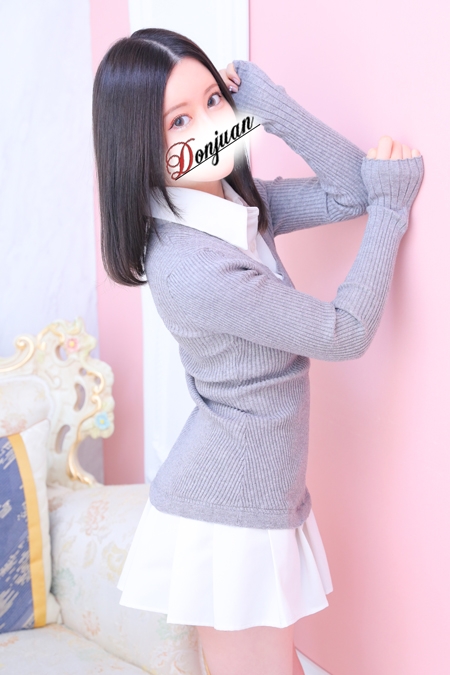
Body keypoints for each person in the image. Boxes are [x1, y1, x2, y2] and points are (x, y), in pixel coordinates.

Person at [92, 27, 424, 675]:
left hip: (254, 488)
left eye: (214, 100)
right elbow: (343, 331)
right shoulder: (193, 266)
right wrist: (392, 210)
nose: (212, 127)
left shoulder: (233, 203)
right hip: (228, 503)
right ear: (138, 145)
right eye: (179, 120)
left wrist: (271, 106)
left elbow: (349, 189)